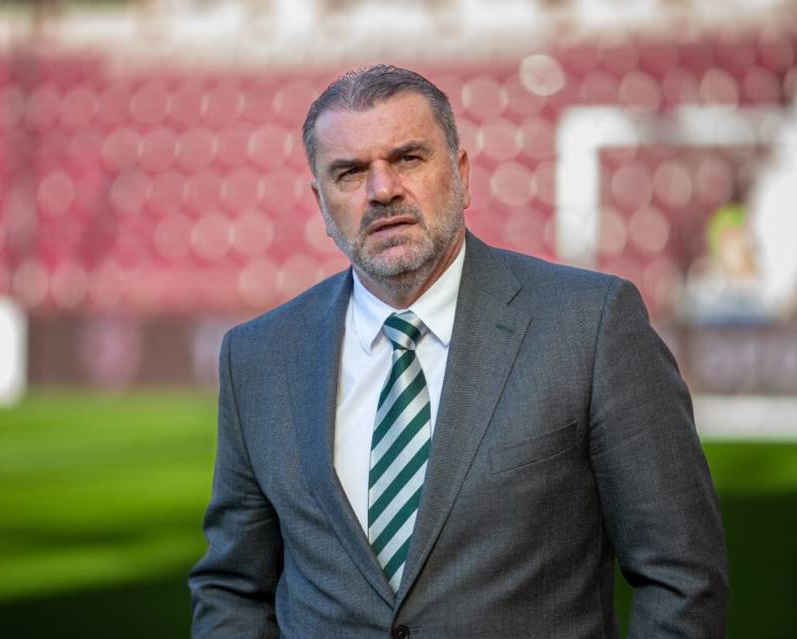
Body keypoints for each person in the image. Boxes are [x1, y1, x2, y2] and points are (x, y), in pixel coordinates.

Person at [189, 64, 728, 638]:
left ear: (463, 174)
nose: (382, 190)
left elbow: (681, 575)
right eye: (350, 172)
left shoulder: (590, 325)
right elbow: (234, 589)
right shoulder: (258, 357)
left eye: (408, 158)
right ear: (322, 203)